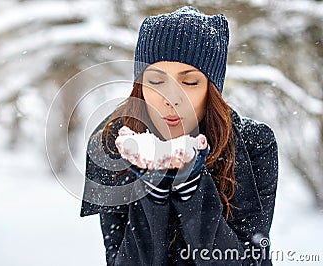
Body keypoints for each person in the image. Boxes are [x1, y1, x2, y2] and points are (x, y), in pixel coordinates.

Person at [80, 6, 278, 266]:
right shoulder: (114, 142)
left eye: (190, 82)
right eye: (156, 81)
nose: (171, 99)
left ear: (212, 88)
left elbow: (248, 260)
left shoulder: (254, 145)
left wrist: (191, 188)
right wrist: (153, 188)